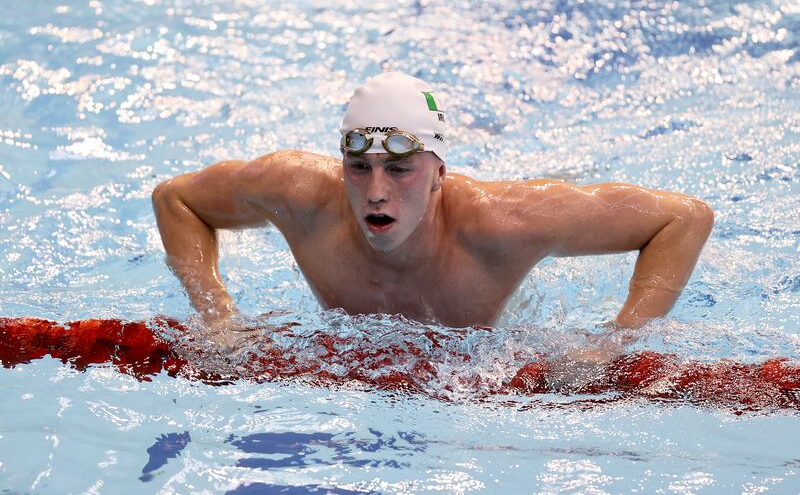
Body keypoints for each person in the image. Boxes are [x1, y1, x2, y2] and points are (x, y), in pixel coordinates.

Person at [152, 72, 714, 351]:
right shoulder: (298, 193)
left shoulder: (504, 222)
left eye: (400, 170)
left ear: (439, 173)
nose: (376, 192)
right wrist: (218, 316)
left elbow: (684, 218)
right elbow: (176, 198)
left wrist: (615, 343)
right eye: (359, 167)